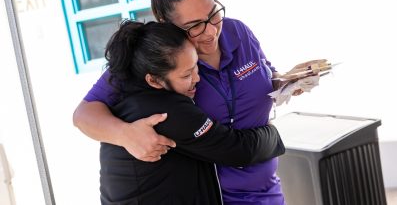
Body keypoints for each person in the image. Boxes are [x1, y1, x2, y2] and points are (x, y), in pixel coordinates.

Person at [73, 0, 322, 204]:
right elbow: (83, 114)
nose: (211, 32)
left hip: (266, 191)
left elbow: (263, 76)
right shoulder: (155, 61)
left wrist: (287, 81)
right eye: (194, 26)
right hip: (214, 196)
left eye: (213, 14)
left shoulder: (239, 33)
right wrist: (125, 135)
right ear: (165, 23)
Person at [99, 19, 285, 204]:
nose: (197, 78)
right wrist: (272, 133)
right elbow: (238, 150)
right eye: (186, 75)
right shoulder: (166, 113)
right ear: (154, 80)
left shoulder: (129, 99)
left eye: (196, 66)